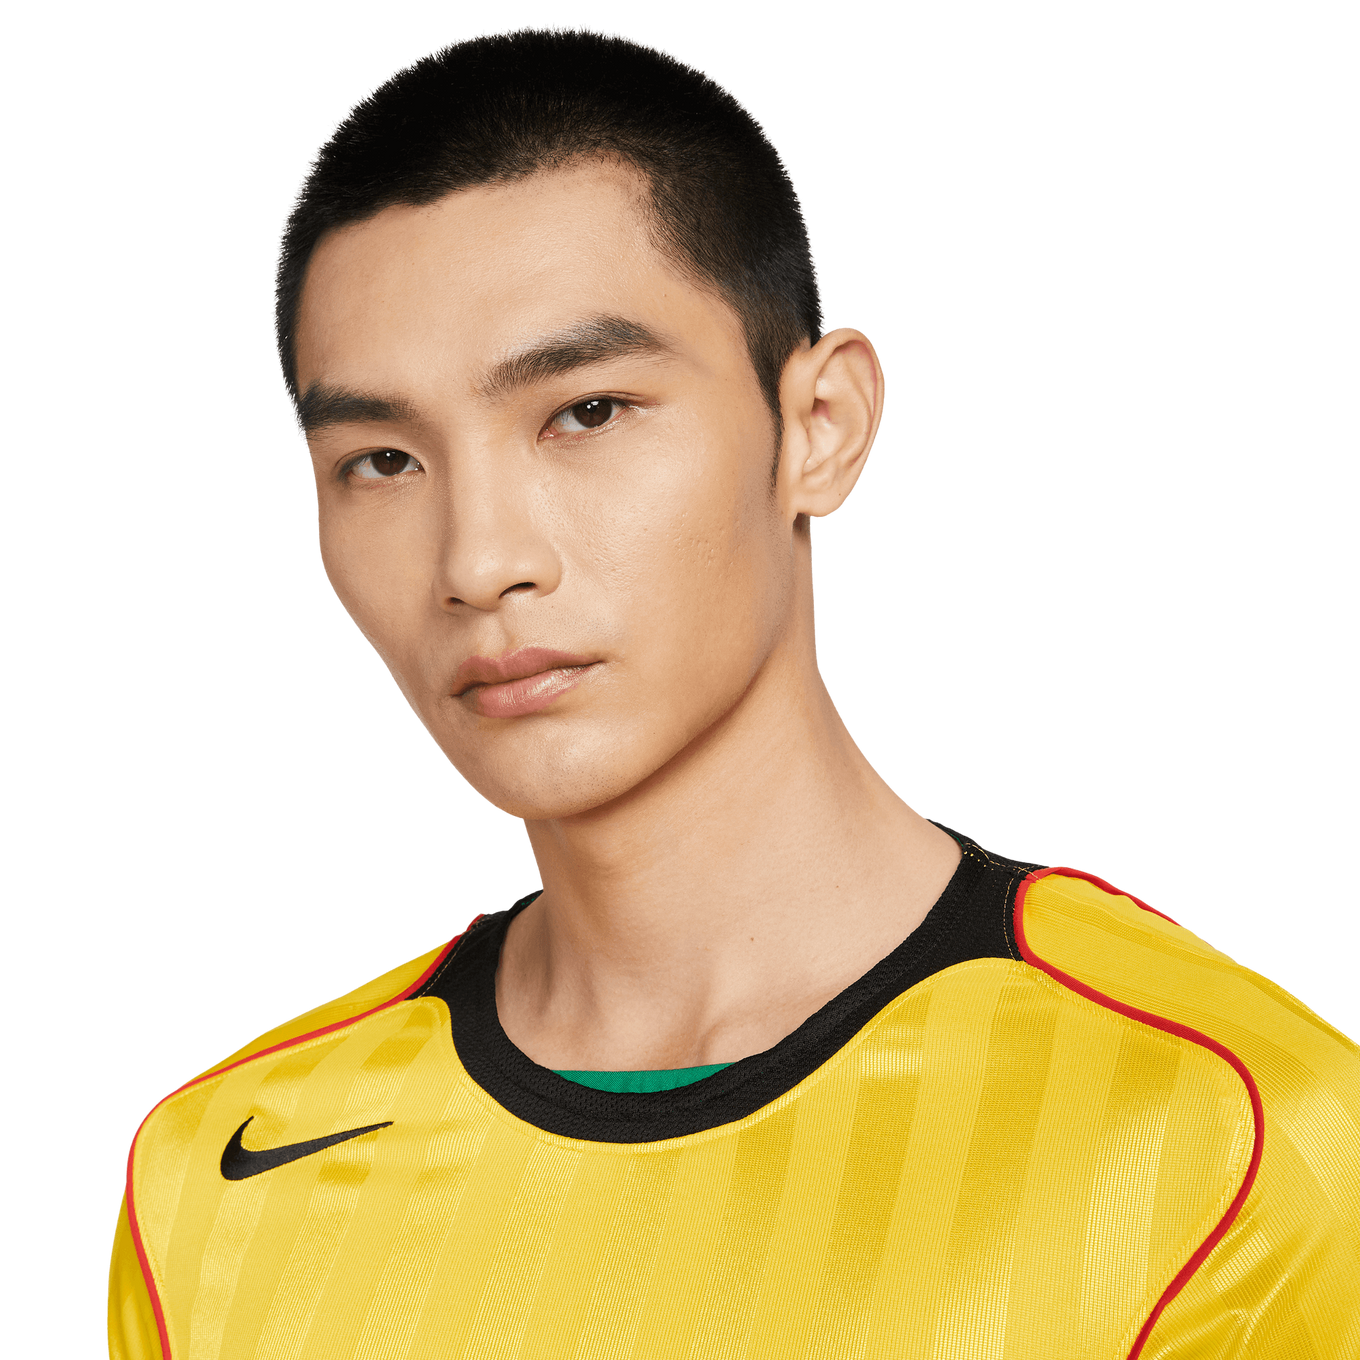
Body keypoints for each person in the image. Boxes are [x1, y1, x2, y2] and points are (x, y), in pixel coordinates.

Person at [106, 24, 1358, 1359]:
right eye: (382, 462)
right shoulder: (211, 1181)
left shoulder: (1235, 1131)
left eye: (586, 411)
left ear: (821, 428)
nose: (478, 562)